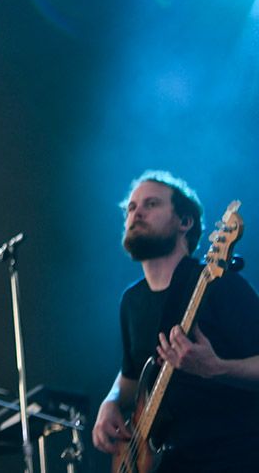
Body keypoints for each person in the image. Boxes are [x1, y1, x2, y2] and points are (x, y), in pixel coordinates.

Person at [91, 171, 259, 471]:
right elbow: (132, 375)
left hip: (231, 456)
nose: (136, 213)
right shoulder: (132, 301)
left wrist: (217, 368)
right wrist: (111, 401)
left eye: (151, 204)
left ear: (185, 222)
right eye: (131, 208)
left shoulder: (218, 283)